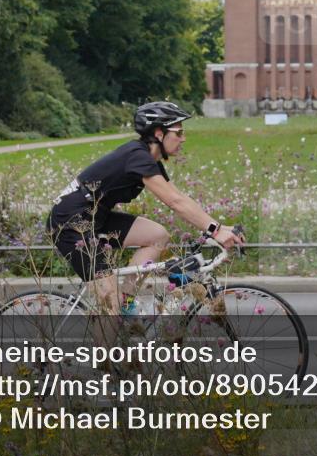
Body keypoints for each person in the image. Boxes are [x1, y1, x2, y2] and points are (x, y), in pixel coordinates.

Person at [46, 101, 245, 316]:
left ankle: (126, 300)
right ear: (159, 133)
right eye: (178, 132)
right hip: (70, 223)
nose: (183, 138)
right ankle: (109, 337)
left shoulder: (147, 160)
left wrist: (220, 226)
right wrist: (216, 231)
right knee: (109, 311)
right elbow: (174, 202)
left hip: (94, 217)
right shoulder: (137, 157)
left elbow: (180, 197)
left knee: (157, 235)